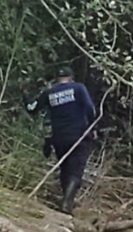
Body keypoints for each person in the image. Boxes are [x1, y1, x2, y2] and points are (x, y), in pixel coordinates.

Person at [22, 67, 97, 215]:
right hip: (78, 136)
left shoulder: (49, 93)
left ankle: (66, 201)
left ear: (57, 79)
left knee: (65, 169)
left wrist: (24, 93)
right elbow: (90, 108)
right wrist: (93, 127)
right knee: (75, 171)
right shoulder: (78, 88)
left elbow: (31, 108)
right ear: (71, 78)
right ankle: (67, 204)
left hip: (59, 138)